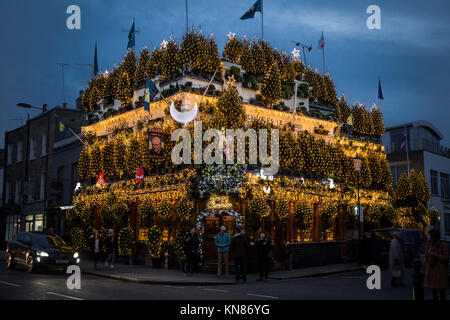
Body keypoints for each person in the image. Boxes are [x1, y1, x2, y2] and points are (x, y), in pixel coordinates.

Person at [424, 229, 449, 300]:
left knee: (441, 291)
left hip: (440, 271)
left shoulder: (443, 245)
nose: (430, 238)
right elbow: (426, 256)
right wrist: (426, 264)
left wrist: (436, 255)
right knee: (433, 291)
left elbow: (446, 257)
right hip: (431, 270)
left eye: (431, 236)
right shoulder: (429, 244)